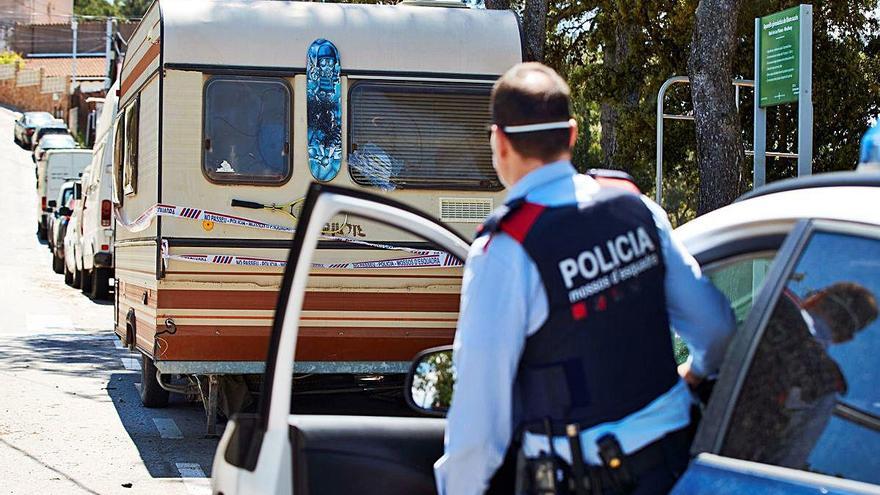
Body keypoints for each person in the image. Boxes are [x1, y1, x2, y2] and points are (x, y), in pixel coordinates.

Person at [433, 63, 736, 495]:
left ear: (498, 142)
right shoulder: (636, 209)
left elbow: (478, 424)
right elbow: (717, 330)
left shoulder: (505, 252)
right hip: (677, 467)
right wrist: (696, 373)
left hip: (584, 480)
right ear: (573, 135)